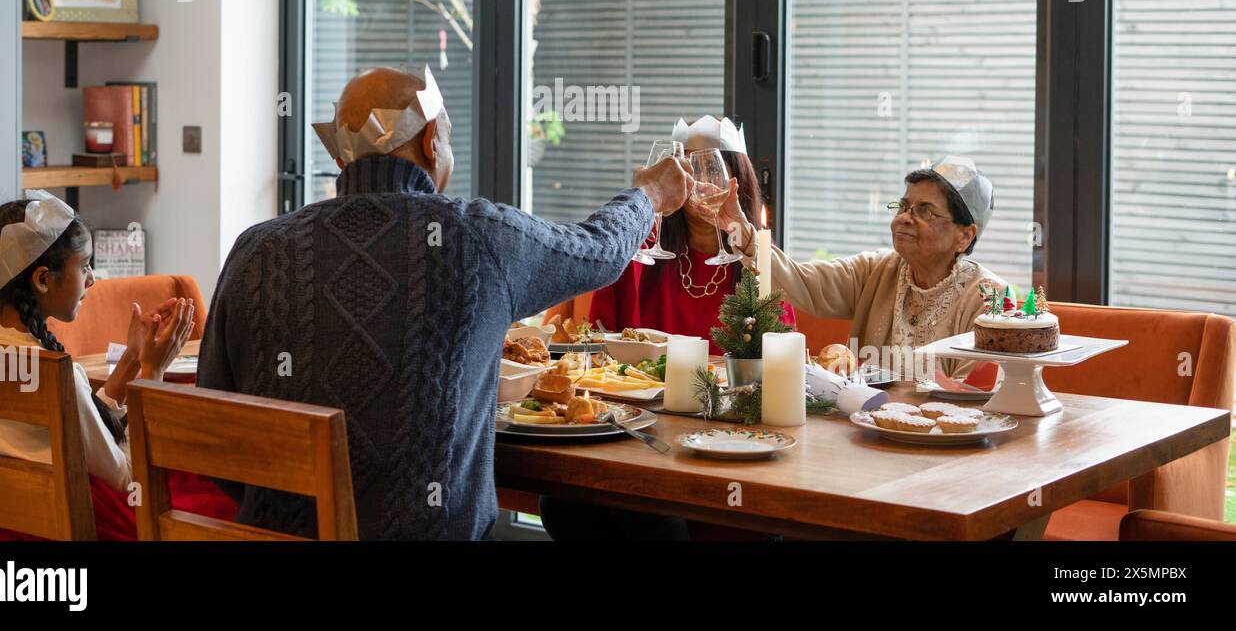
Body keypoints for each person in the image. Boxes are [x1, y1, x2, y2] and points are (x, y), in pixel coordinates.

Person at [197, 65, 694, 540]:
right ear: (432, 140)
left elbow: (215, 435)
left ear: (340, 157)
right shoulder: (477, 237)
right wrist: (647, 194)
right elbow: (597, 251)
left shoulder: (255, 249)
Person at [0, 192, 234, 540]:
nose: (92, 278)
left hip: (10, 526)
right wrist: (153, 373)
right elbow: (129, 478)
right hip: (83, 526)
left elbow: (76, 430)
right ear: (43, 279)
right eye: (84, 264)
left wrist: (132, 360)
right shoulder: (53, 372)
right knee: (220, 491)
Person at [704, 154, 1004, 379]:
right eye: (903, 207)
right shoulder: (875, 270)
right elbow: (800, 281)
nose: (904, 218)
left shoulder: (989, 300)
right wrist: (739, 229)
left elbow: (976, 395)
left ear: (964, 236)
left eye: (925, 212)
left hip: (943, 447)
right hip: (864, 431)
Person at [574, 115, 794, 351]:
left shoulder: (760, 262)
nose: (701, 183)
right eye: (689, 170)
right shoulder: (637, 250)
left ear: (737, 181)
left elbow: (783, 351)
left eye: (712, 170)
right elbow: (597, 340)